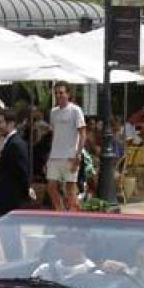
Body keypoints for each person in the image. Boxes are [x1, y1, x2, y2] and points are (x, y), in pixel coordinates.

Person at [46, 82, 85, 212]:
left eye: (61, 92)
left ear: (68, 94)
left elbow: (82, 134)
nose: (58, 95)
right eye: (56, 93)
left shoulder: (75, 110)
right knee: (51, 186)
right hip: (55, 155)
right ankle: (60, 211)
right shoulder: (53, 112)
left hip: (70, 155)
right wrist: (49, 155)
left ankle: (73, 215)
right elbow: (54, 134)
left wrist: (77, 156)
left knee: (70, 189)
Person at [0, 110, 31, 217]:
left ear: (11, 123)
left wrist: (26, 190)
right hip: (4, 195)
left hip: (12, 196)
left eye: (0, 122)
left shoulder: (16, 144)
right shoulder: (4, 141)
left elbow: (22, 170)